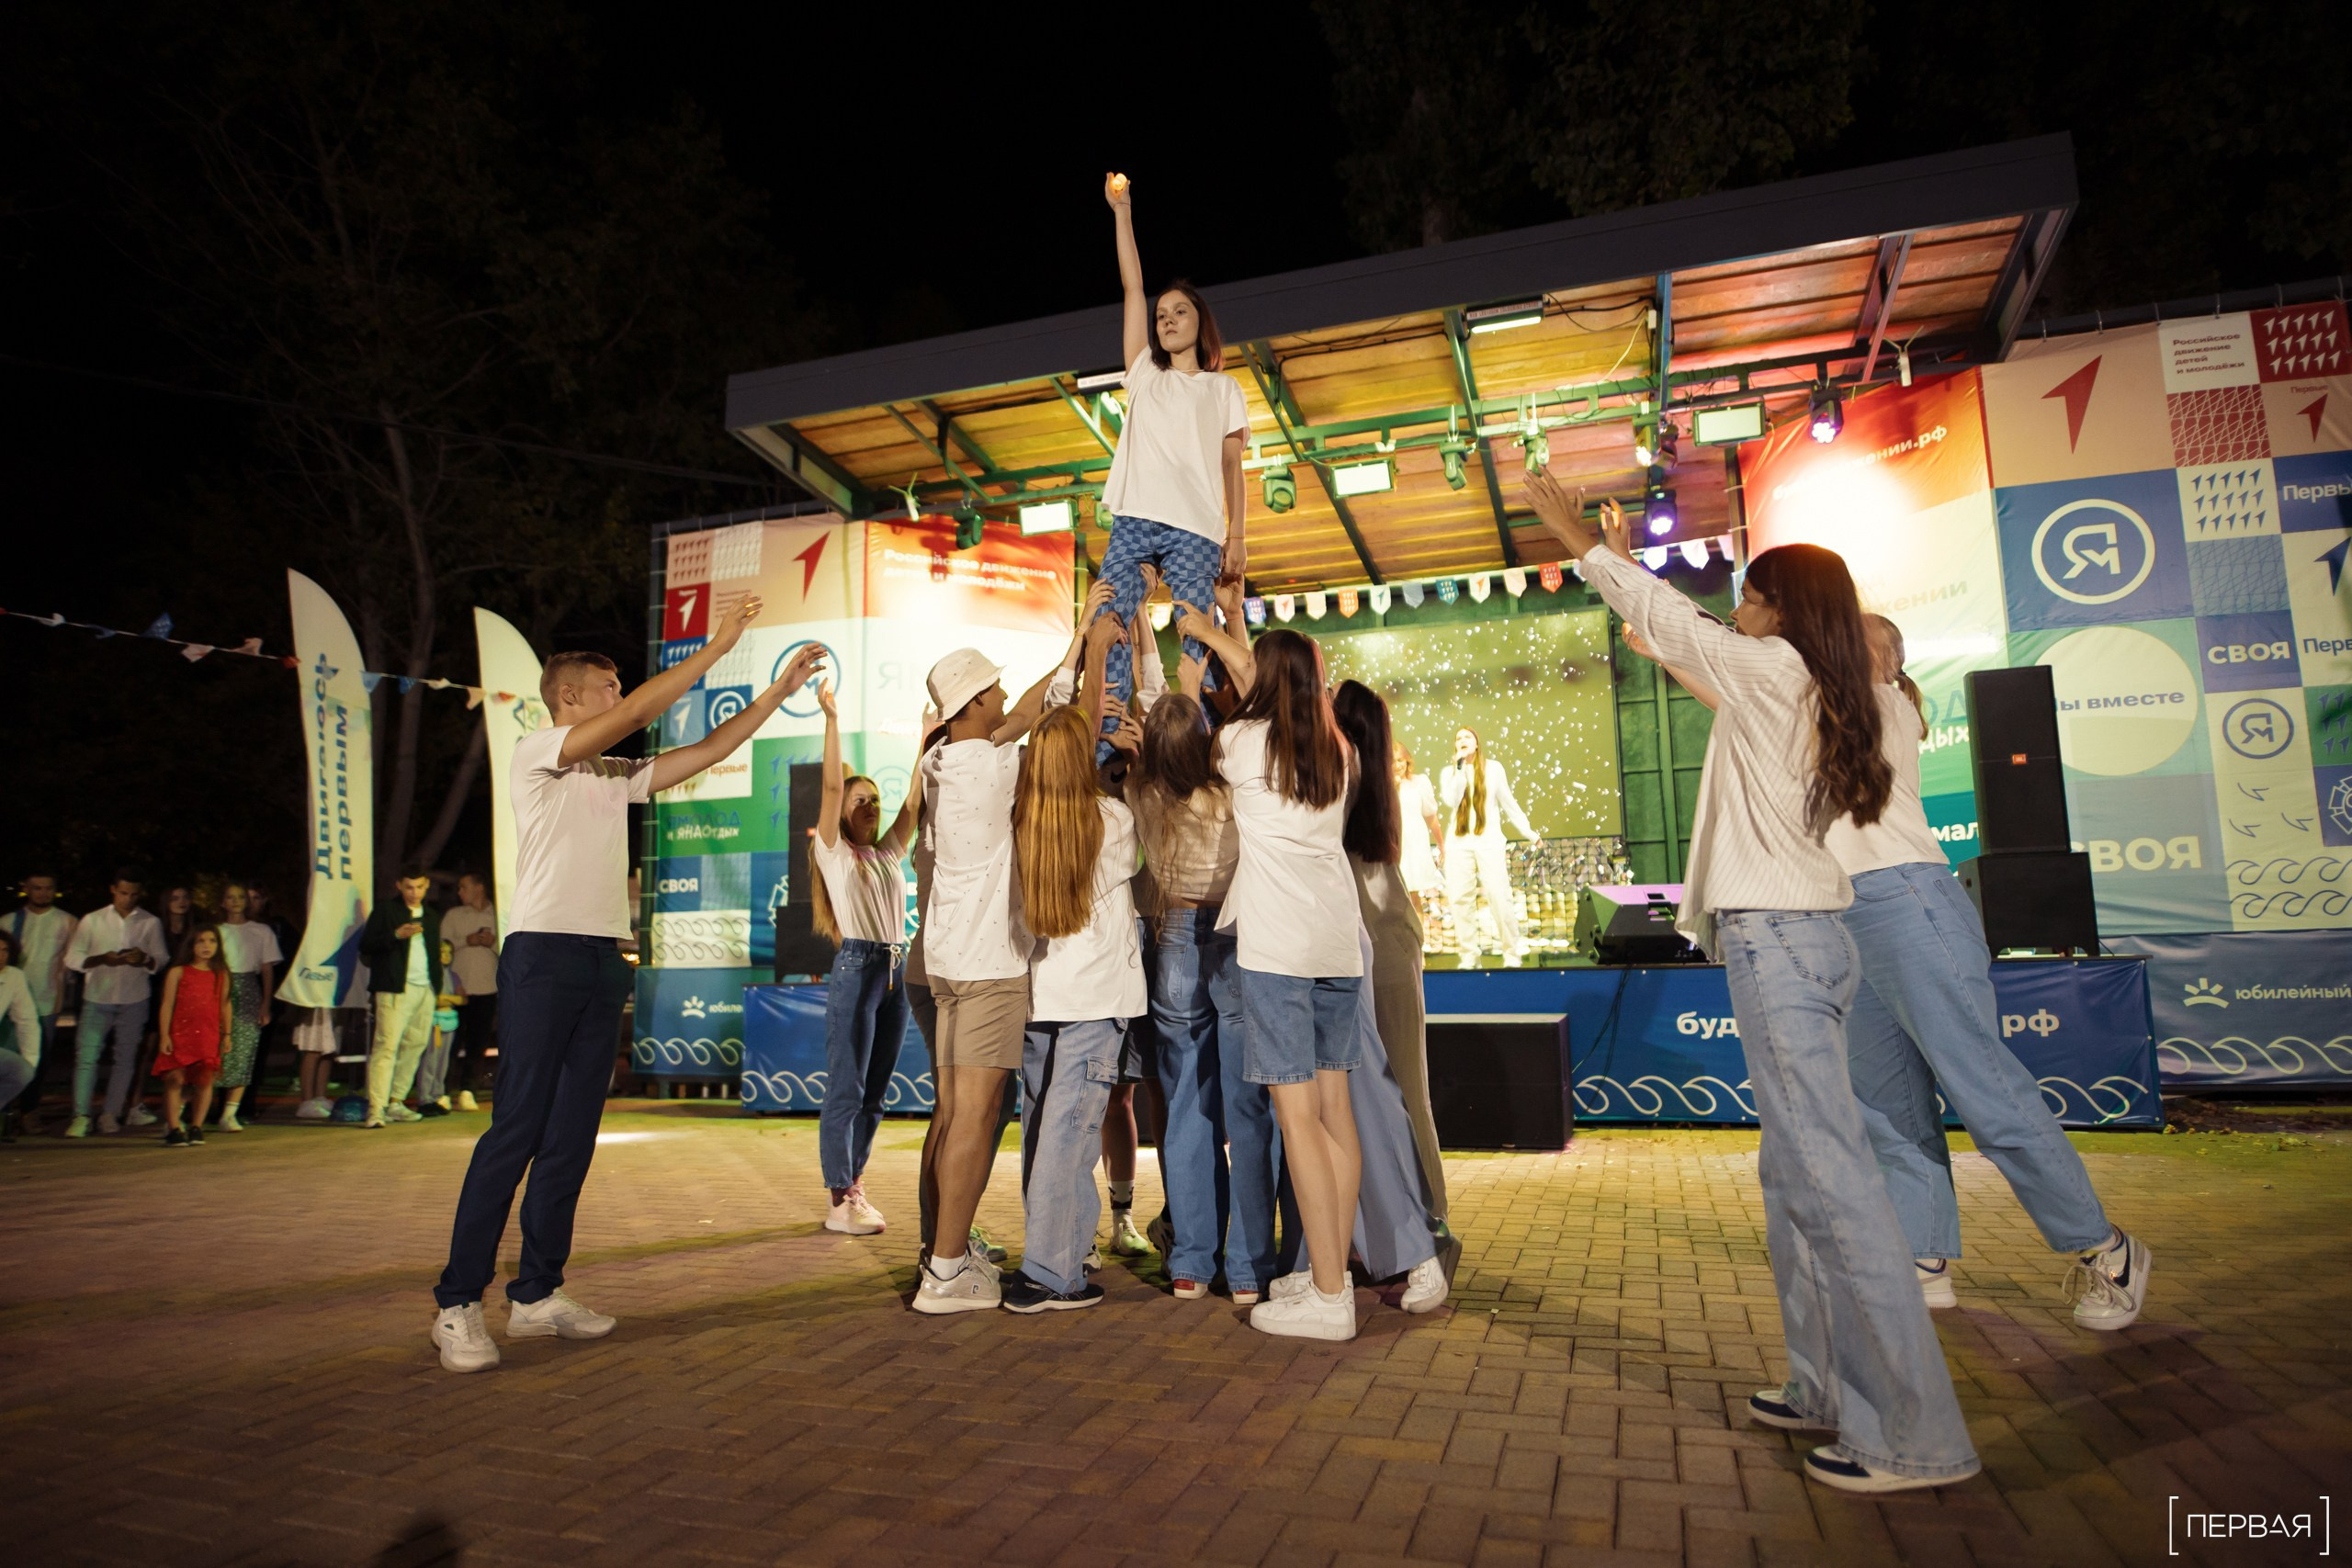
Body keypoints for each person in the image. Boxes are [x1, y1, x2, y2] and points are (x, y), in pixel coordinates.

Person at [1529, 468, 1977, 1495]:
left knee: (1829, 1178)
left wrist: (1578, 541)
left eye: (1753, 593)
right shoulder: (1808, 686)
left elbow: (1672, 620)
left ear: (1782, 610)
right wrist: (1646, 601)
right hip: (1800, 934)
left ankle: (1913, 1433)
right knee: (1795, 1174)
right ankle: (1824, 1385)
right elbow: (1687, 646)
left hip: (1783, 940)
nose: (1740, 604)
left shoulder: (1780, 673)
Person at [1629, 615, 2149, 1325]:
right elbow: (1737, 695)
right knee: (1887, 1110)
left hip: (1908, 902)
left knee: (1986, 1091)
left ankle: (2105, 1247)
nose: (1836, 641)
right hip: (1839, 912)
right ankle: (1925, 1253)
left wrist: (1675, 631)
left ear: (1890, 659)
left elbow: (1741, 677)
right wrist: (1663, 644)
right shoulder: (1809, 706)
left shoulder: (1884, 702)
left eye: (1859, 635)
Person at [429, 598, 826, 1373]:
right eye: (609, 689)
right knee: (516, 1129)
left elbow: (707, 750)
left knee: (572, 1135)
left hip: (604, 958)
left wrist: (777, 694)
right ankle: (455, 1303)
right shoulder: (537, 750)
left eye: (620, 689)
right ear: (569, 698)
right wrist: (719, 646)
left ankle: (537, 1293)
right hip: (542, 956)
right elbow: (649, 707)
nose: (623, 697)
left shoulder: (613, 774)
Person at [912, 592, 1113, 1314]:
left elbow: (1026, 709)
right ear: (970, 705)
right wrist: (1082, 642)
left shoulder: (943, 760)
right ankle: (944, 1271)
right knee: (973, 1116)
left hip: (945, 963)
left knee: (952, 1114)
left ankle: (945, 1250)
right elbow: (1038, 712)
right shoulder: (985, 764)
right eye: (991, 686)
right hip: (989, 966)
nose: (1003, 693)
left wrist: (1077, 642)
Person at [1211, 626, 1367, 1341]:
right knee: (1336, 1112)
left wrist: (1207, 628)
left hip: (1277, 951)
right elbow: (1267, 685)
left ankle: (1330, 1295)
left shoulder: (1243, 745)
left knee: (1297, 1117)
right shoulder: (1341, 751)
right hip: (1338, 946)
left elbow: (1243, 692)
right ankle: (1328, 1275)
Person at [1125, 617, 1275, 1304]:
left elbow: (1153, 716)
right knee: (1247, 1105)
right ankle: (1248, 1268)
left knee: (1184, 1103)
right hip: (1238, 938)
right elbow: (1222, 716)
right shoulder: (1231, 786)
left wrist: (1139, 652)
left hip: (1177, 937)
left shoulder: (1144, 791)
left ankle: (1191, 1261)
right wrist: (1207, 640)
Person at [1094, 172, 1250, 754]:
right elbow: (1131, 288)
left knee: (1195, 631)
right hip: (1136, 518)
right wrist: (1122, 212)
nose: (1165, 317)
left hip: (1196, 527)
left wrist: (1238, 535)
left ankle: (1201, 746)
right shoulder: (1144, 374)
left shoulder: (1221, 388)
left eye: (1179, 310)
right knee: (1106, 617)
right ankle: (1109, 744)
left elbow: (1232, 466)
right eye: (1162, 312)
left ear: (1199, 321)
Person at [1003, 702, 1147, 1312]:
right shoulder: (1111, 820)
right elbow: (1149, 847)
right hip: (1095, 1001)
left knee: (1044, 1130)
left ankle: (1055, 1253)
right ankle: (1050, 1271)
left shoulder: (1021, 824)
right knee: (1070, 1135)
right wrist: (1130, 764)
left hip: (1042, 997)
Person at [1334, 683, 1450, 1226]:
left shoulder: (1341, 779)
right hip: (1396, 945)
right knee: (1410, 1093)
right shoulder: (1379, 780)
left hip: (1369, 951)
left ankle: (1421, 1221)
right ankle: (1430, 1217)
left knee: (1382, 1099)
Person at [809, 676, 921, 1235]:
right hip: (857, 967)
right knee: (847, 1087)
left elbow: (913, 805)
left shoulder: (886, 853)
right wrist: (831, 718)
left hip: (895, 972)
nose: (871, 806)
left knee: (875, 1093)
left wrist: (926, 737)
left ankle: (854, 1186)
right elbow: (831, 791)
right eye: (861, 801)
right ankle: (837, 1200)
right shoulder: (833, 852)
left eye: (874, 799)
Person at [62, 870, 171, 1138]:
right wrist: (102, 959)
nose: (128, 898)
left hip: (135, 998)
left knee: (125, 1058)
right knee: (87, 1058)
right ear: (113, 890)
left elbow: (161, 959)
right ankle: (81, 1115)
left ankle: (110, 1113)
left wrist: (144, 959)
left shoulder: (149, 922)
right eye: (124, 893)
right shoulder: (93, 920)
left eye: (134, 894)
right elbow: (73, 957)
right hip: (97, 997)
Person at [1440, 727, 1535, 967]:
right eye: (1458, 738)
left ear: (1477, 743)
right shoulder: (1449, 772)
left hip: (1488, 841)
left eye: (1467, 737)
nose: (1462, 741)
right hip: (1459, 843)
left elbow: (1509, 803)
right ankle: (1469, 956)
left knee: (1498, 896)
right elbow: (1452, 800)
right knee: (1461, 900)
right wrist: (1460, 768)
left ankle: (1511, 953)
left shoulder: (1494, 769)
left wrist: (1529, 833)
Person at [360, 866, 444, 1128]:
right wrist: (396, 935)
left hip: (425, 989)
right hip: (395, 988)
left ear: (427, 885)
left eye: (419, 887)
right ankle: (376, 1108)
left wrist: (436, 987)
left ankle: (396, 1101)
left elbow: (434, 954)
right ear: (399, 885)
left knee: (416, 1045)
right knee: (386, 1046)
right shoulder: (387, 910)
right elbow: (366, 945)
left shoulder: (431, 916)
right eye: (409, 887)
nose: (414, 892)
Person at [5, 873, 77, 1131]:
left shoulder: (67, 922)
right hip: (8, 1002)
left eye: (48, 888)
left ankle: (30, 1112)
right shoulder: (10, 921)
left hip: (47, 1003)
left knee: (38, 1059)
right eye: (37, 888)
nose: (42, 893)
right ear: (27, 889)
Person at [155, 923, 232, 1147]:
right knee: (175, 1078)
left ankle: (197, 1126)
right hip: (181, 1033)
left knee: (205, 1079)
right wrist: (164, 1035)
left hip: (207, 1035)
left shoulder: (221, 974)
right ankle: (174, 1127)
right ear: (191, 945)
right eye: (201, 941)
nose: (207, 946)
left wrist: (226, 1034)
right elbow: (167, 1005)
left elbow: (225, 1005)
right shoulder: (178, 972)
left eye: (212, 941)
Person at [213, 882, 282, 1132]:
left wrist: (265, 1004)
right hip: (220, 986)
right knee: (214, 1050)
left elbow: (266, 970)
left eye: (240, 897)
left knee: (243, 1051)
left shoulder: (261, 931)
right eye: (230, 897)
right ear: (222, 902)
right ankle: (199, 1108)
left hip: (248, 989)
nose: (235, 902)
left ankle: (230, 1113)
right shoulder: (215, 931)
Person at [439, 873, 501, 1111]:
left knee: (478, 1043)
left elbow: (511, 946)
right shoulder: (454, 916)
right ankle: (442, 1090)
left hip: (487, 989)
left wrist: (492, 942)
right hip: (458, 990)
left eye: (464, 887)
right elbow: (442, 946)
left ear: (479, 887)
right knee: (451, 1042)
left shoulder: (497, 914)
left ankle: (468, 1090)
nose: (459, 892)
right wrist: (468, 939)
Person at [1392, 745, 1444, 928]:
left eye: (1400, 760)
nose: (1397, 765)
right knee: (1396, 896)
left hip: (1414, 844)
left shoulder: (1419, 782)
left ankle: (1418, 947)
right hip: (1394, 844)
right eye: (1392, 761)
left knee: (1413, 896)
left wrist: (1441, 844)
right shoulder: (1383, 786)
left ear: (1407, 760)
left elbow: (1431, 817)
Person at [0, 930, 41, 1130]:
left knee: (21, 1071)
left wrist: (30, 1061)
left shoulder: (14, 977)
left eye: (5, 950)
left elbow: (27, 1020)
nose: (1, 956)